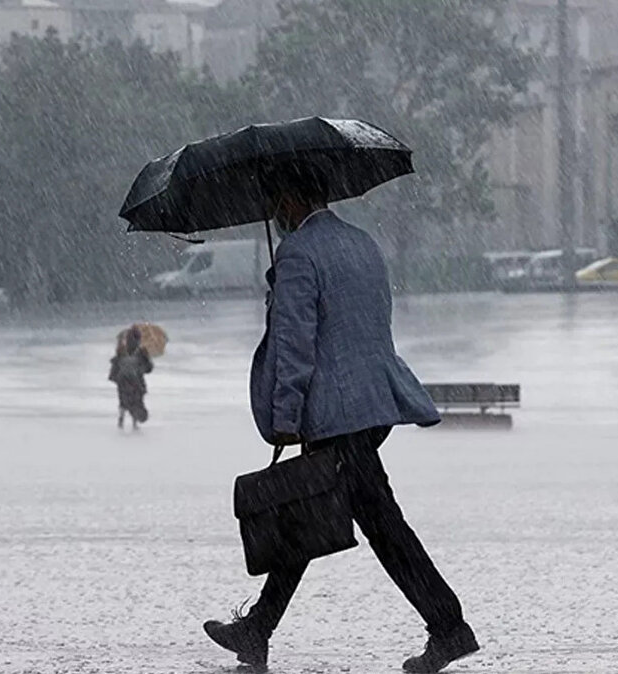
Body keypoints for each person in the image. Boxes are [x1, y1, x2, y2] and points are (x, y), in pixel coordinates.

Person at [202, 162, 477, 673]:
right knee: (309, 513)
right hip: (371, 405)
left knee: (377, 525)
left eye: (274, 202)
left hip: (334, 415)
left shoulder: (299, 253)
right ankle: (257, 629)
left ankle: (449, 628)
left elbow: (295, 345)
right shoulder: (362, 243)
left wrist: (285, 415)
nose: (273, 213)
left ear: (290, 199)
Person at [108, 327, 153, 430]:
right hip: (136, 382)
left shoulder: (121, 351)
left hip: (123, 381)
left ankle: (122, 419)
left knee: (124, 401)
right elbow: (148, 368)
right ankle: (134, 423)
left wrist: (115, 378)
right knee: (136, 401)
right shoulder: (141, 352)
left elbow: (115, 367)